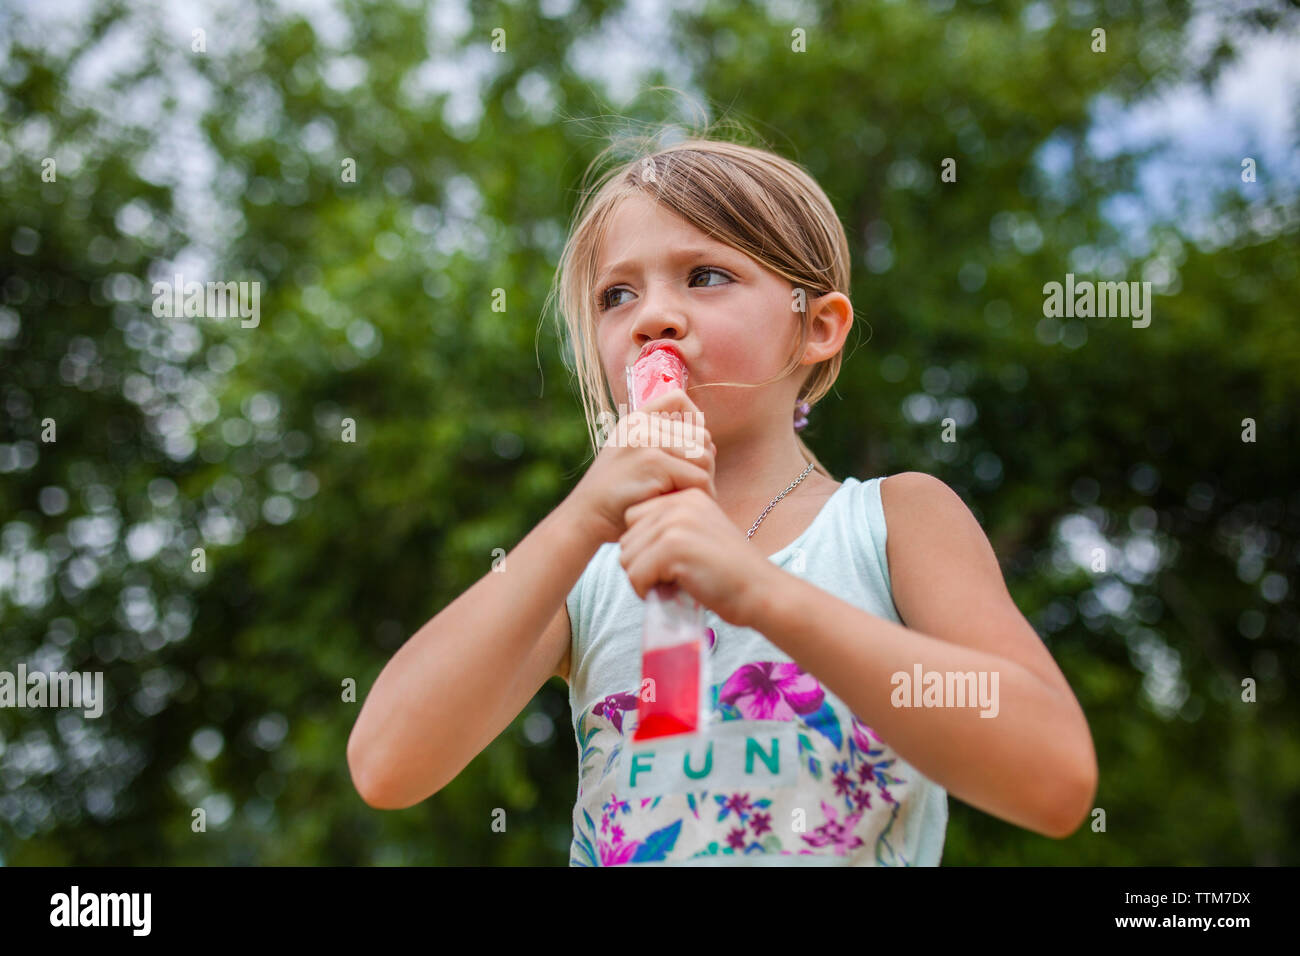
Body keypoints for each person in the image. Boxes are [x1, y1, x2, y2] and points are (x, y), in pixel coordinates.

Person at [347, 135, 1098, 867]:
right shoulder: (590, 570)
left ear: (819, 327)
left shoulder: (893, 523)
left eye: (705, 276)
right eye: (617, 295)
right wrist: (580, 518)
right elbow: (387, 765)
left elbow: (1054, 778)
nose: (652, 317)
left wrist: (759, 590)